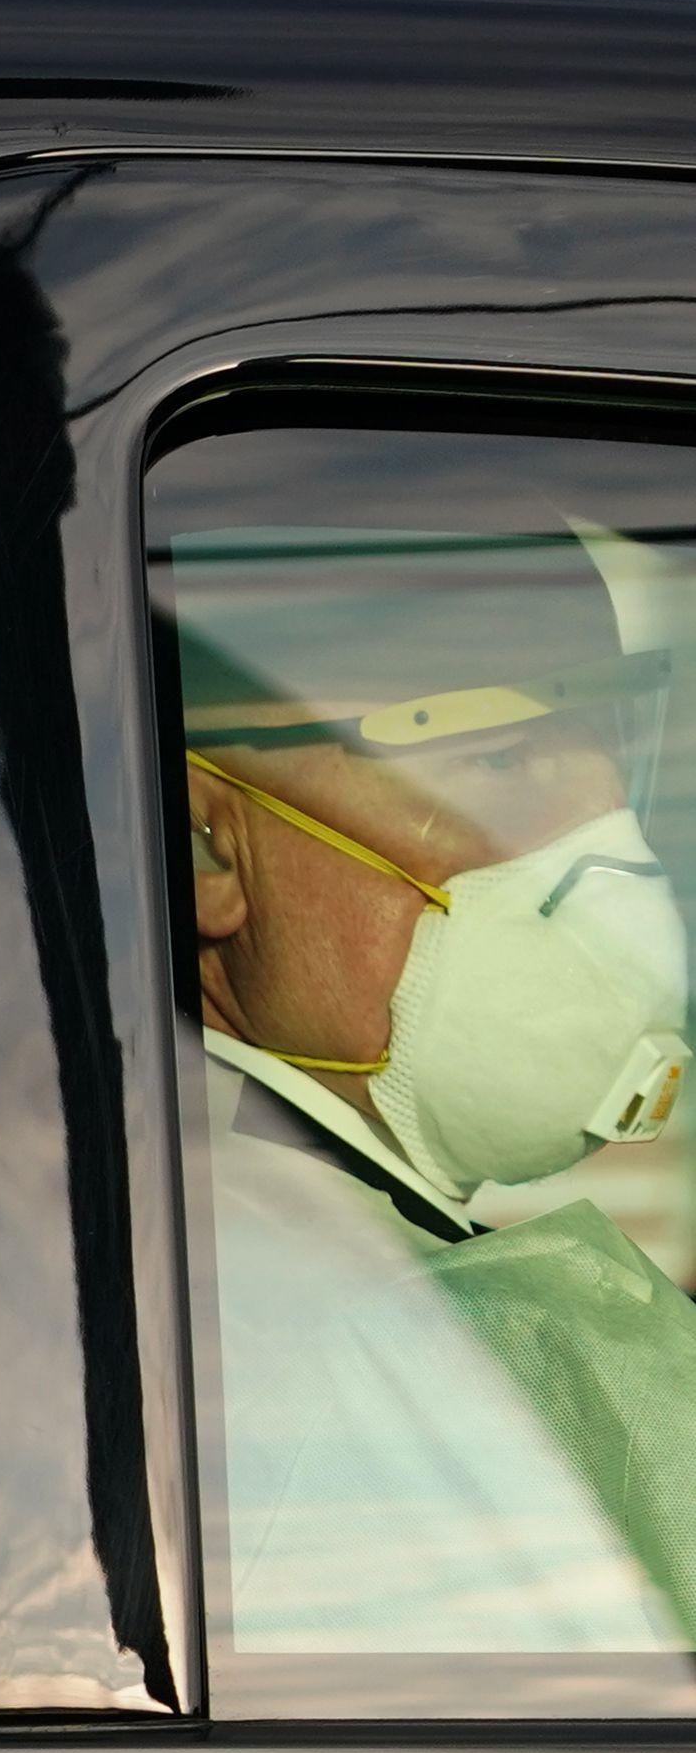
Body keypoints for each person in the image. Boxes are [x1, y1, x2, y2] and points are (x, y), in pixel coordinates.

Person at [174, 526, 696, 1654]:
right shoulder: (334, 1347)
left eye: (612, 754)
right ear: (210, 850)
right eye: (498, 762)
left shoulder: (200, 1230)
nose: (607, 852)